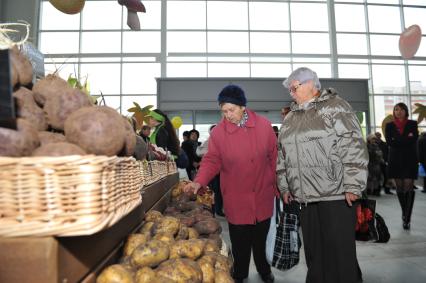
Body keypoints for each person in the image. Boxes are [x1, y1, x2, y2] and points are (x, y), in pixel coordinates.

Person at [277, 67, 368, 283]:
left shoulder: (336, 107)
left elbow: (353, 144)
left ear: (311, 84)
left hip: (335, 194)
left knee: (339, 253)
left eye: (294, 87)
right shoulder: (291, 117)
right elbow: (282, 155)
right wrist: (285, 186)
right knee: (315, 254)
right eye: (290, 89)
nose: (291, 92)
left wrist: (353, 184)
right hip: (305, 198)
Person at [184, 85, 277, 283]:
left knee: (260, 241)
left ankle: (264, 269)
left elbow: (275, 159)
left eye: (231, 110)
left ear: (243, 106)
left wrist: (278, 186)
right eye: (224, 111)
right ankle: (240, 274)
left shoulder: (264, 126)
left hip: (262, 194)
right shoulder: (219, 133)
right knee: (240, 242)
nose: (228, 115)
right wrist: (199, 181)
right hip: (237, 197)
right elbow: (211, 161)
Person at [385, 102, 418, 230]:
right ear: (394, 112)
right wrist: (405, 140)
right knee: (399, 187)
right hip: (395, 160)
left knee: (409, 186)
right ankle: (405, 213)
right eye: (396, 109)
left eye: (401, 109)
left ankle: (407, 218)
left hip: (410, 160)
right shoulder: (389, 126)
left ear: (406, 111)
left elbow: (413, 139)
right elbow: (389, 142)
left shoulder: (412, 124)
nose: (399, 112)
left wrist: (397, 140)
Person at [196, 124, 225, 217]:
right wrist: (209, 153)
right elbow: (199, 152)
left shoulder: (224, 141)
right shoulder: (208, 141)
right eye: (212, 131)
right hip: (210, 171)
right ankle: (211, 211)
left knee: (218, 191)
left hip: (221, 172)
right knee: (210, 191)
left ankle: (218, 209)